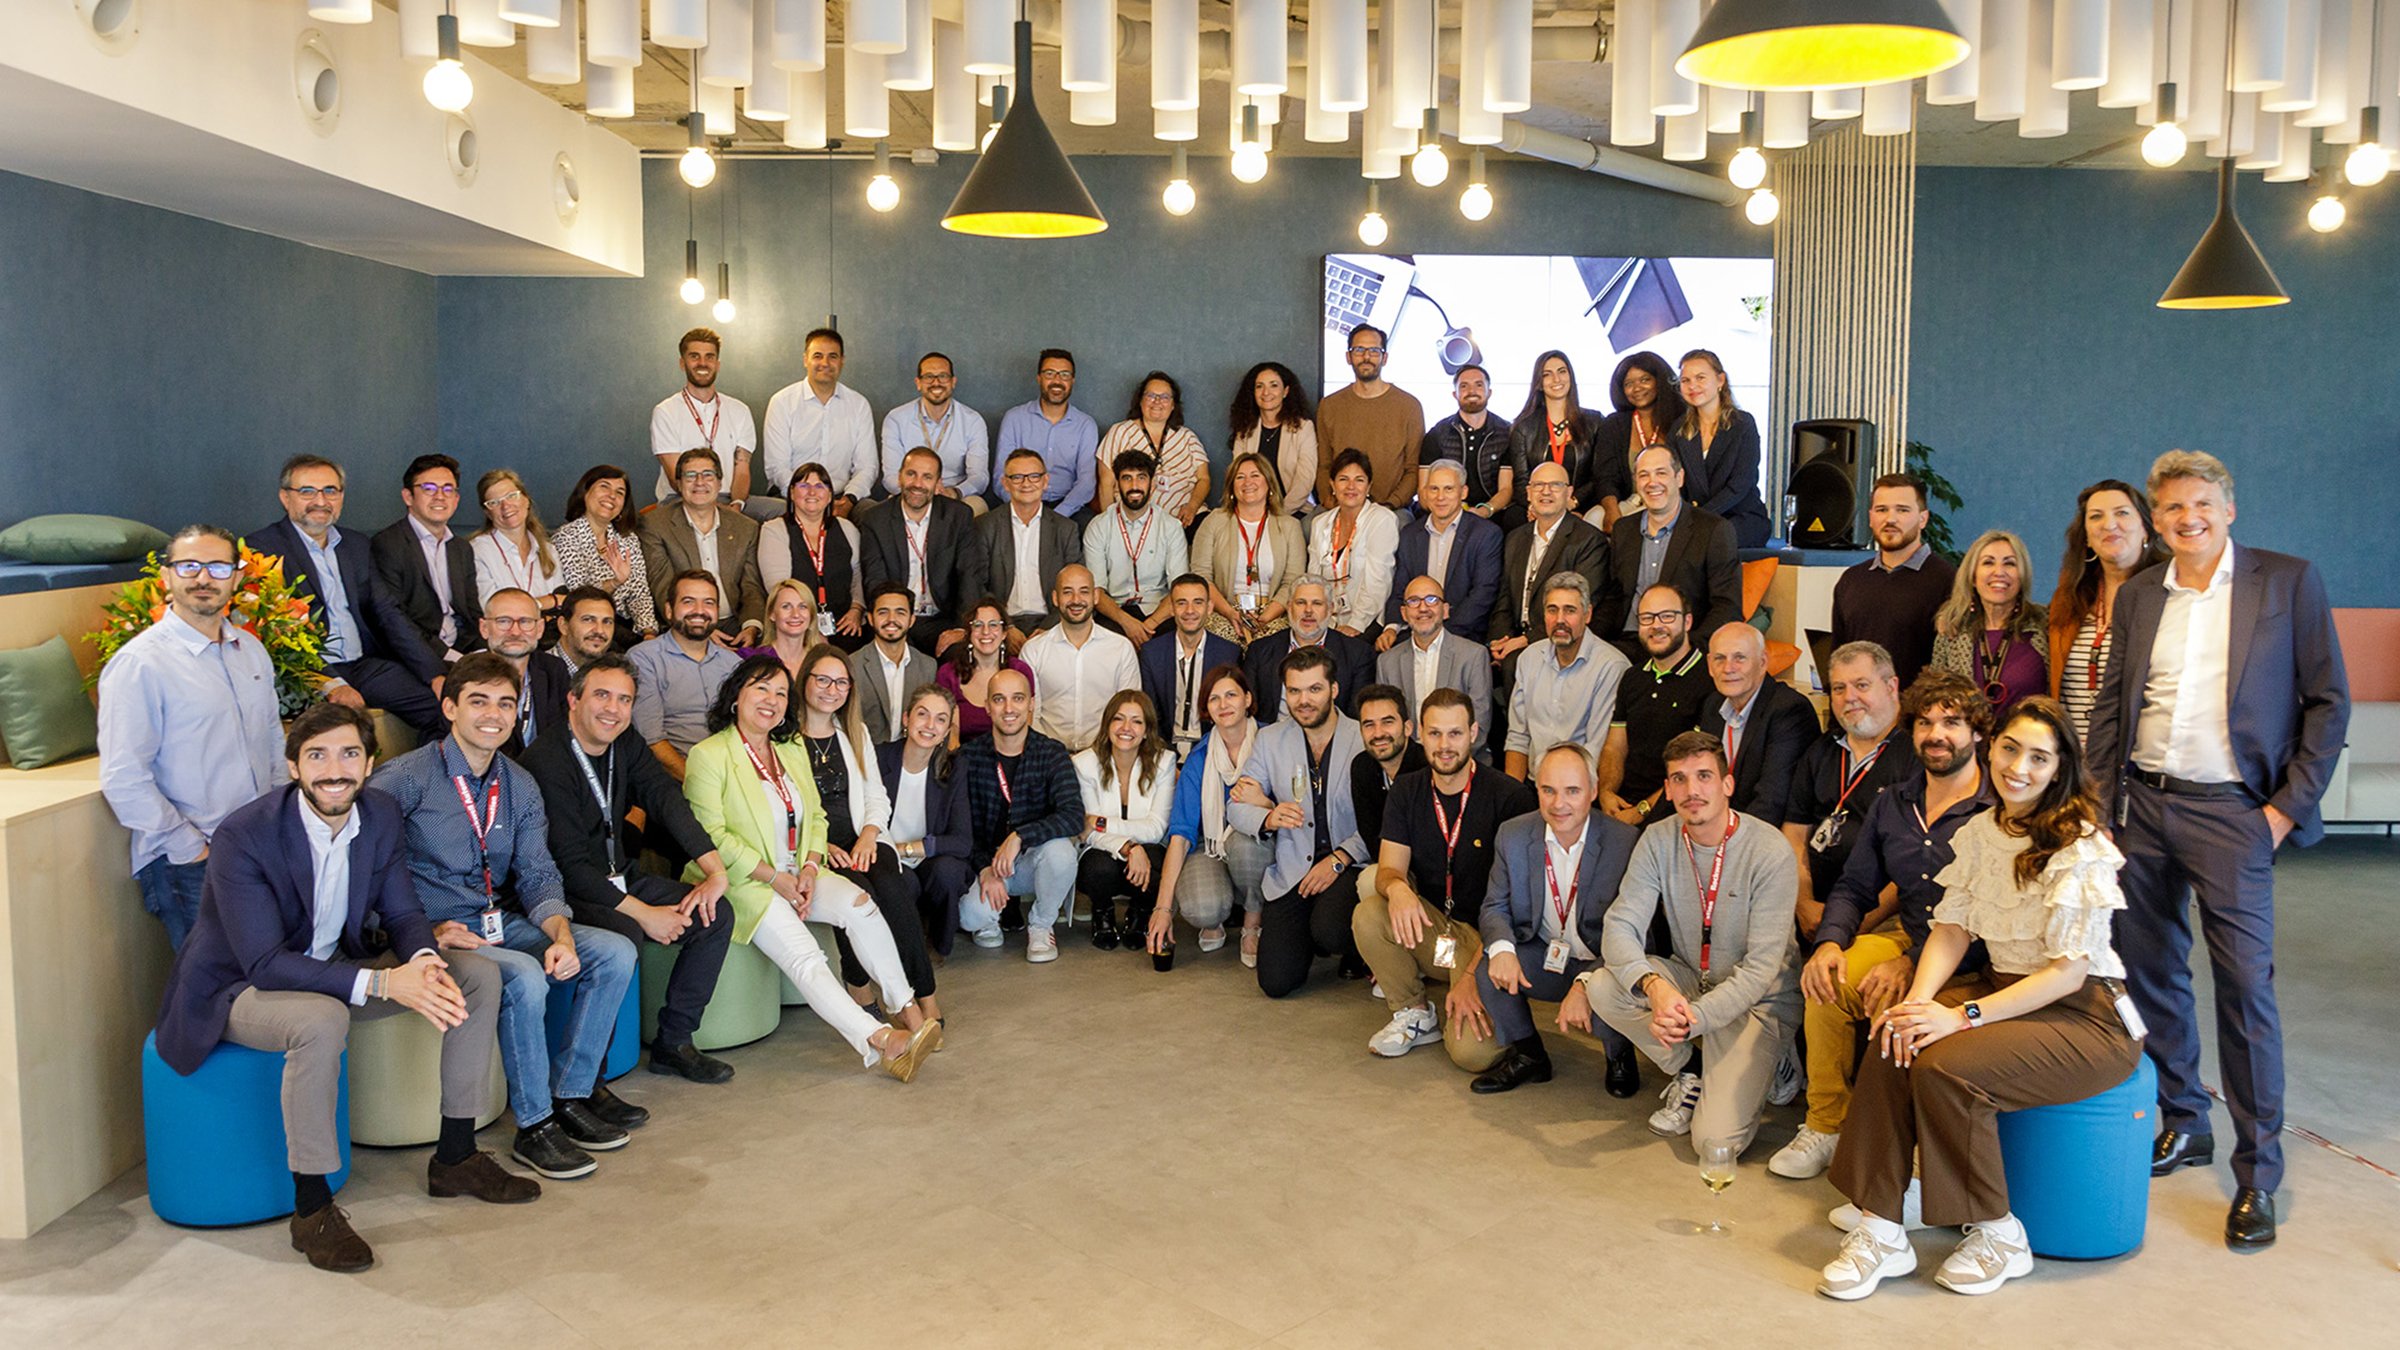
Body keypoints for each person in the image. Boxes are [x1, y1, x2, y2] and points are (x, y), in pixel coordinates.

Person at [151, 703, 532, 1273]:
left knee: (474, 975)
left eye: (350, 753)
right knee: (320, 1020)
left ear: (370, 760)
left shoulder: (377, 813)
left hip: (337, 966)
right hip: (240, 990)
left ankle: (455, 1155)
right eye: (318, 755)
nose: (335, 769)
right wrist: (383, 980)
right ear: (293, 767)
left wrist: (424, 961)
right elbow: (264, 963)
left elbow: (403, 912)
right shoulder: (245, 835)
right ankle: (312, 1207)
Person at [2088, 450, 2347, 1252]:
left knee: (2245, 990)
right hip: (2145, 810)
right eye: (2170, 510)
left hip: (2237, 815)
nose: (2185, 519)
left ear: (2229, 509)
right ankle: (2186, 1119)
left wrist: (2281, 812)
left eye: (2200, 505)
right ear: (2156, 520)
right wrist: (2101, 808)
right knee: (2154, 974)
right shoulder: (2139, 595)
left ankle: (2257, 1173)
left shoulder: (2286, 582)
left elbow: (2328, 704)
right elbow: (2109, 706)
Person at [1818, 698, 2144, 1300]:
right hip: (2006, 991)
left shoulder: (2079, 845)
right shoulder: (1981, 832)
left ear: (2059, 768)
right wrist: (1917, 1005)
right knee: (1897, 1035)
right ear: (1991, 747)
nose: (2019, 767)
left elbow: (2066, 976)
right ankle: (1882, 1226)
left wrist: (1959, 1016)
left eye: (2039, 757)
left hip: (2086, 1016)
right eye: (2011, 748)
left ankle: (1999, 1233)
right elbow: (1952, 928)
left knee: (1946, 1065)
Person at [366, 653, 642, 1182]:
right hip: (434, 932)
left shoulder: (518, 783)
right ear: (449, 707)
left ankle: (570, 1095)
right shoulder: (402, 780)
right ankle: (534, 1127)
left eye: (506, 703)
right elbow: (367, 874)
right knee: (523, 979)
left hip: (498, 918)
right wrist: (420, 932)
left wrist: (559, 933)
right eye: (478, 701)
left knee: (613, 951)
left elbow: (538, 874)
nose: (493, 714)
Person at [1778, 668, 1996, 1183]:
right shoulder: (1894, 802)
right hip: (1910, 935)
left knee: (1897, 1011)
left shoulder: (1996, 812)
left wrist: (1909, 964)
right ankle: (1826, 1125)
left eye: (1952, 722)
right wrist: (1830, 943)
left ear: (1979, 733)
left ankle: (1907, 1169)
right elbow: (1856, 887)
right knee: (1826, 980)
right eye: (1924, 722)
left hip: (1977, 962)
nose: (1936, 735)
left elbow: (1985, 925)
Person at [679, 655, 941, 1076]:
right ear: (736, 696)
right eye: (761, 688)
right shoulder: (709, 756)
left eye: (781, 692)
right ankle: (881, 1039)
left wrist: (810, 868)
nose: (772, 699)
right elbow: (712, 839)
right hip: (746, 881)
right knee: (807, 956)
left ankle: (909, 1011)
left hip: (799, 871)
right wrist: (776, 878)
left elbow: (816, 816)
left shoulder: (790, 747)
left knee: (862, 907)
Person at [520, 655, 738, 1085]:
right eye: (601, 695)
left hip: (618, 875)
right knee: (625, 934)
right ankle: (588, 1081)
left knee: (716, 913)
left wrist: (715, 871)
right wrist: (645, 913)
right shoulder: (546, 760)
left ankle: (674, 1042)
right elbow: (568, 865)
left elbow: (665, 799)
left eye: (624, 700)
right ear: (573, 700)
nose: (613, 709)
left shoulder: (626, 742)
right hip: (564, 892)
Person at [1594, 731, 1800, 1147]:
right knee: (1603, 986)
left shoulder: (1769, 850)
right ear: (1667, 790)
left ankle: (1776, 1059)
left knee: (1713, 1145)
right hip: (1693, 979)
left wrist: (1694, 1019)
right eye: (1680, 779)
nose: (1693, 790)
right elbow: (1620, 924)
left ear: (1728, 785)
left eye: (1704, 776)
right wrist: (1654, 988)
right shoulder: (1658, 839)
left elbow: (1762, 970)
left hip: (1759, 1001)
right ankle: (1694, 1067)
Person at [98, 524, 286, 951]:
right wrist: (190, 847)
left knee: (258, 986)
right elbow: (124, 777)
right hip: (191, 859)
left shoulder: (251, 651)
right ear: (166, 577)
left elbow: (272, 740)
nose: (203, 578)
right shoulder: (140, 665)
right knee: (210, 992)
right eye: (189, 566)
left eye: (218, 567)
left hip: (259, 848)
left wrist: (280, 821)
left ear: (237, 578)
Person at [1358, 689, 1533, 1069]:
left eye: (1455, 733)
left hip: (1486, 938)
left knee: (1474, 1054)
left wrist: (1472, 974)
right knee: (1371, 911)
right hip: (1437, 929)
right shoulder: (1407, 790)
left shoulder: (1509, 798)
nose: (1444, 745)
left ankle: (1487, 1000)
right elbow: (1389, 868)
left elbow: (1521, 909)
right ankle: (1414, 1011)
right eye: (1435, 734)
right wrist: (1399, 888)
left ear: (1474, 732)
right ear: (1420, 734)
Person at [1465, 743, 1641, 1095]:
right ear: (1537, 790)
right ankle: (1530, 1056)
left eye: (1572, 791)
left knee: (1611, 983)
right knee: (1490, 967)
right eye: (1548, 790)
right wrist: (1501, 949)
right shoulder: (1513, 834)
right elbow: (1494, 905)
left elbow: (1638, 937)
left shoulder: (1625, 842)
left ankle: (1619, 1053)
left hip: (1603, 961)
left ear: (1593, 791)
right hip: (1544, 955)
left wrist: (1587, 983)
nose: (1559, 804)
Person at [793, 644, 942, 1031]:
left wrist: (870, 836)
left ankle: (926, 997)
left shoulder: (853, 731)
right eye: (823, 679)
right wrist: (821, 846)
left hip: (864, 835)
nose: (832, 689)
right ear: (805, 680)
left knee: (895, 892)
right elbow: (786, 808)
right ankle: (860, 987)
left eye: (841, 682)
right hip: (816, 845)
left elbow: (876, 796)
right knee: (858, 893)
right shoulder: (784, 739)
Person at [250, 454, 446, 738]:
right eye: (307, 491)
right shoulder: (262, 550)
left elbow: (388, 613)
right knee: (339, 730)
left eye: (330, 490)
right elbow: (277, 640)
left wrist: (434, 673)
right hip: (311, 673)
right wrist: (331, 684)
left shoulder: (355, 545)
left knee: (446, 710)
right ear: (285, 497)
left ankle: (428, 782)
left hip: (365, 665)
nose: (321, 500)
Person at [1226, 646, 1369, 997]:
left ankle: (1353, 947)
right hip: (1293, 870)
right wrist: (1270, 816)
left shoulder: (1363, 738)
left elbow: (1383, 819)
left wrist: (1339, 860)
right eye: (1294, 691)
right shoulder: (1271, 739)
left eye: (1314, 689)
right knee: (1275, 983)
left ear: (1334, 690)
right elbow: (1237, 808)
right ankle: (1312, 936)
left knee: (1330, 930)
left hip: (1348, 863)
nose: (1304, 700)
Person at [1781, 641, 1915, 943]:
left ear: (1892, 686)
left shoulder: (1915, 755)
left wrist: (1852, 922)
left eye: (1862, 685)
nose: (1849, 698)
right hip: (1808, 909)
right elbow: (1794, 833)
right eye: (1839, 689)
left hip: (1880, 918)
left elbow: (1914, 862)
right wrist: (1803, 903)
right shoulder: (1822, 751)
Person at [954, 669, 1084, 962]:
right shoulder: (968, 757)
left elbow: (1074, 816)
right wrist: (985, 868)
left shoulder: (1051, 753)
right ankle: (990, 920)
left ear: (1031, 704)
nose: (1009, 709)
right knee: (970, 917)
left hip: (1032, 862)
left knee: (1062, 852)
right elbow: (960, 828)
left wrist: (1020, 836)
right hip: (989, 865)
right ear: (987, 706)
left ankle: (1040, 925)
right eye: (999, 700)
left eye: (1018, 699)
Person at [1148, 665, 1270, 965]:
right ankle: (1216, 915)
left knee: (1245, 845)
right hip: (1211, 847)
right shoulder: (1199, 759)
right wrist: (1162, 909)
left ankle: (1252, 923)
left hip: (1260, 847)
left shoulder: (1273, 742)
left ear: (1248, 698)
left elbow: (1296, 809)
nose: (1224, 704)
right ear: (1206, 709)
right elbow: (1181, 834)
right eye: (1214, 699)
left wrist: (1264, 803)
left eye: (1231, 695)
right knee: (1202, 908)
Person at [2046, 478, 2168, 745]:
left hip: (2137, 761)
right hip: (2071, 764)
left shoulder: (2169, 597)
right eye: (2096, 516)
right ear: (2087, 538)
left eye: (2122, 513)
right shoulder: (2067, 600)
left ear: (2146, 528)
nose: (2109, 524)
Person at [1602, 444, 1743, 647]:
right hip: (1625, 642)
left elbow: (1727, 606)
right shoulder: (1623, 530)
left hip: (1681, 644)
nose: (1652, 482)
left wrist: (1689, 649)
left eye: (1661, 473)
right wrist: (1589, 641)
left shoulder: (1714, 530)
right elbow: (1613, 598)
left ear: (1679, 478)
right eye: (1643, 475)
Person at [1598, 583, 1713, 826]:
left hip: (1678, 813)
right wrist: (1606, 792)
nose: (1656, 625)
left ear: (1688, 622)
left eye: (1667, 616)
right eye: (1647, 618)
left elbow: (1693, 765)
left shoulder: (1710, 679)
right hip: (1622, 807)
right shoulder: (1632, 677)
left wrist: (1641, 811)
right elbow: (1615, 747)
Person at [1828, 472, 1957, 690]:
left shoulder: (1949, 581)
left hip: (1916, 717)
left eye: (1902, 510)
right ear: (1870, 517)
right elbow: (1838, 658)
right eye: (1881, 510)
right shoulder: (1851, 580)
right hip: (1856, 713)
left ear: (1923, 518)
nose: (1890, 519)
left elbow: (1951, 667)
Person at [876, 685, 976, 960]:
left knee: (949, 872)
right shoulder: (878, 758)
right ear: (907, 719)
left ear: (946, 731)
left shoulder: (954, 768)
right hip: (885, 856)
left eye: (941, 719)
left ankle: (938, 946)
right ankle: (904, 949)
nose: (930, 725)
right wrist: (891, 852)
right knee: (901, 881)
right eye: (923, 714)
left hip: (927, 858)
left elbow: (962, 841)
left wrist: (908, 848)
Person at [1073, 691, 1177, 950]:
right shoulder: (1084, 764)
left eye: (1136, 721)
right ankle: (1102, 911)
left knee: (1155, 859)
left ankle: (1141, 912)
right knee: (1098, 867)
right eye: (1118, 719)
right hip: (1101, 852)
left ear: (1147, 730)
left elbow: (1156, 828)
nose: (1126, 728)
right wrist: (1129, 847)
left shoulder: (1164, 762)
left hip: (1147, 851)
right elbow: (1088, 833)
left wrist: (1102, 823)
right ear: (1107, 724)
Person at [1505, 574, 1632, 780]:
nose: (1560, 620)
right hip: (1532, 784)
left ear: (1588, 614)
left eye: (1570, 611)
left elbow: (1595, 749)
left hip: (1579, 787)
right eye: (1552, 610)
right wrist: (1512, 798)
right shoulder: (1529, 658)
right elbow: (1518, 738)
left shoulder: (1611, 666)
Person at [640, 448, 766, 648]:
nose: (699, 482)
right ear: (679, 484)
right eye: (690, 475)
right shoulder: (655, 525)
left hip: (736, 625)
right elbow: (662, 586)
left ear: (719, 482)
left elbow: (751, 587)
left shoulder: (746, 527)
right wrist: (699, 628)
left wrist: (751, 626)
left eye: (708, 475)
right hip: (683, 626)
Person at [1698, 623, 1821, 827]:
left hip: (1761, 838)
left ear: (1763, 662)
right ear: (1710, 665)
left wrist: (1724, 842)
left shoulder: (1789, 710)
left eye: (1740, 658)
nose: (1728, 668)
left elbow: (1772, 802)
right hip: (1714, 829)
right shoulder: (1713, 705)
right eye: (1720, 659)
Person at [858, 445, 976, 654]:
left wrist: (961, 627)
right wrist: (894, 621)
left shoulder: (958, 517)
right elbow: (875, 581)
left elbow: (970, 575)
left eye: (927, 477)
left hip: (942, 619)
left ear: (938, 484)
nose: (917, 484)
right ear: (899, 477)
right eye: (911, 474)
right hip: (895, 618)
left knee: (960, 655)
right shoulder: (875, 520)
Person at [627, 571, 743, 780]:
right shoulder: (644, 659)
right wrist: (700, 783)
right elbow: (651, 740)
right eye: (688, 602)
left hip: (734, 774)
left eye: (708, 603)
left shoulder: (734, 664)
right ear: (669, 610)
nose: (699, 611)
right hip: (672, 779)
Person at [1491, 461, 1609, 665]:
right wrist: (1502, 640)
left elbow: (1580, 606)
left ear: (1569, 493)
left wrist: (1525, 641)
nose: (1546, 491)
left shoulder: (1589, 540)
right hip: (1514, 641)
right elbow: (1504, 599)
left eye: (1555, 485)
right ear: (1528, 493)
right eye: (1538, 485)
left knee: (1515, 665)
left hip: (1559, 641)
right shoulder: (1515, 538)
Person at [1018, 564, 1143, 754]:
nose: (1076, 600)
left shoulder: (1121, 649)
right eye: (1067, 592)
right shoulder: (1034, 651)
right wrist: (1051, 756)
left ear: (1095, 597)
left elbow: (1128, 713)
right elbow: (1031, 715)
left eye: (1084, 592)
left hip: (1105, 756)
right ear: (1055, 598)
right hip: (1048, 757)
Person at [370, 453, 482, 664]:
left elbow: (472, 612)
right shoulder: (388, 545)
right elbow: (396, 620)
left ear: (456, 499)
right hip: (417, 655)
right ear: (408, 496)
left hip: (462, 649)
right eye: (429, 488)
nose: (440, 496)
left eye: (448, 489)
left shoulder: (461, 548)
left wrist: (482, 652)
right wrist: (452, 658)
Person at [963, 448, 1083, 644]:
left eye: (1034, 476)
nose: (1026, 483)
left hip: (1052, 624)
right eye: (1017, 477)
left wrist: (1048, 628)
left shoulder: (1065, 529)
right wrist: (1005, 626)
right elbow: (977, 584)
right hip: (999, 626)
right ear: (1005, 483)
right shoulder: (985, 526)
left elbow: (1073, 590)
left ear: (1045, 481)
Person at [1378, 461, 1503, 648]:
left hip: (1463, 634)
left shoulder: (1485, 534)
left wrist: (1440, 636)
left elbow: (1483, 593)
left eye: (1449, 489)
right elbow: (1400, 589)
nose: (1440, 497)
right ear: (1425, 492)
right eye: (1434, 489)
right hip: (1415, 631)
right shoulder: (1410, 534)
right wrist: (1391, 628)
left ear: (1464, 492)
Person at [1931, 529, 2049, 718]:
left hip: (2028, 743)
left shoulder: (2045, 626)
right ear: (1973, 577)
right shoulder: (1951, 632)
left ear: (2022, 575)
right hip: (1968, 745)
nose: (1999, 572)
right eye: (1988, 563)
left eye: (2010, 563)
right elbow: (1935, 700)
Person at [760, 326, 876, 515]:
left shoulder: (858, 405)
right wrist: (807, 499)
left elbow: (867, 466)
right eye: (817, 356)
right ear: (805, 359)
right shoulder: (782, 402)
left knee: (873, 515)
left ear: (842, 361)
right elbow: (777, 467)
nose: (825, 362)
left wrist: (849, 499)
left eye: (833, 356)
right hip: (790, 496)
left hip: (842, 497)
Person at [1193, 451, 1306, 644]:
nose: (1248, 482)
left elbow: (1293, 582)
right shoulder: (1214, 521)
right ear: (1231, 486)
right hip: (1224, 612)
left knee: (1271, 644)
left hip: (1273, 616)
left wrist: (1264, 619)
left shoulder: (1290, 526)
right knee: (1218, 637)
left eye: (1255, 475)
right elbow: (1201, 576)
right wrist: (1230, 613)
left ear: (1269, 482)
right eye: (1240, 477)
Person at [1313, 323, 1427, 512]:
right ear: (1349, 357)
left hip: (1392, 509)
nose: (1366, 357)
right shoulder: (1329, 405)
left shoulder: (1409, 406)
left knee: (1401, 531)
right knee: (1309, 527)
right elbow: (1324, 465)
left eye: (1374, 351)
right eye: (1359, 350)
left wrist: (1391, 504)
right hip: (1340, 506)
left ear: (1385, 358)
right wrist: (1329, 499)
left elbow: (1412, 470)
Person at [757, 462, 867, 651]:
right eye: (803, 486)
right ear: (792, 492)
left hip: (846, 623)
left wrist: (857, 609)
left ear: (830, 495)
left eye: (819, 486)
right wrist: (811, 629)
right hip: (796, 626)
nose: (812, 492)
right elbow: (779, 589)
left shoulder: (847, 528)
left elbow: (858, 573)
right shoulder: (774, 530)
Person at [1084, 449, 1190, 643]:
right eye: (1127, 478)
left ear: (1152, 483)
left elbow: (1179, 588)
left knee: (1171, 642)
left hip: (1159, 611)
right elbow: (1097, 591)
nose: (1134, 486)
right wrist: (1128, 623)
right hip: (1114, 613)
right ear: (1117, 484)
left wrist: (1149, 625)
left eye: (1141, 478)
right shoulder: (1098, 527)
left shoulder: (1171, 527)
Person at [1376, 575, 1495, 742]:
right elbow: (1386, 724)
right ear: (1403, 613)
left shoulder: (1473, 655)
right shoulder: (1387, 662)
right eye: (1413, 601)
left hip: (1459, 758)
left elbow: (1480, 723)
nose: (1423, 608)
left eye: (1432, 600)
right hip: (1408, 761)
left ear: (1445, 610)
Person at [1244, 576, 1376, 724]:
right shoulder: (1260, 651)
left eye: (1317, 603)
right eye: (1301, 603)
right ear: (1289, 607)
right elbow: (1250, 712)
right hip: (1272, 739)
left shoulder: (1358, 654)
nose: (1308, 610)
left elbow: (1357, 717)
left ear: (1330, 609)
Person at [1671, 349, 1769, 549]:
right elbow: (1674, 483)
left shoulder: (1743, 424)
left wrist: (1699, 519)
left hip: (1740, 517)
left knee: (1708, 540)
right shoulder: (1679, 429)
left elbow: (1741, 484)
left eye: (1700, 378)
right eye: (1685, 380)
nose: (1692, 386)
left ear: (1720, 380)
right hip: (1693, 520)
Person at [649, 326, 754, 507]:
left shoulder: (740, 410)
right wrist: (713, 510)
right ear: (682, 363)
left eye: (710, 357)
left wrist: (736, 505)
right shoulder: (665, 411)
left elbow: (742, 470)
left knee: (778, 512)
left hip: (728, 498)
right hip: (680, 499)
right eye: (694, 356)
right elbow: (676, 477)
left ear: (718, 364)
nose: (702, 363)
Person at [553, 464, 659, 643]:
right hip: (588, 628)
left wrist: (648, 633)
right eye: (604, 487)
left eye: (620, 492)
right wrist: (614, 582)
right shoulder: (567, 536)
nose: (612, 496)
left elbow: (640, 594)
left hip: (627, 627)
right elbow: (579, 596)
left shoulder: (628, 540)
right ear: (585, 492)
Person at [1139, 574, 1239, 760]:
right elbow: (1151, 715)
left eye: (1198, 602)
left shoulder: (1229, 653)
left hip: (1212, 750)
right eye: (1181, 603)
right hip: (1162, 750)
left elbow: (1231, 717)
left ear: (1209, 608)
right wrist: (1165, 758)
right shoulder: (1151, 653)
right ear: (1171, 608)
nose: (1190, 610)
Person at [1095, 371, 1210, 530]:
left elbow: (1204, 479)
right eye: (1150, 396)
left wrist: (1192, 507)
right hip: (1136, 517)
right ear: (1140, 401)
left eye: (1164, 397)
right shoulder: (1120, 432)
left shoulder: (1187, 437)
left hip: (1187, 517)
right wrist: (1110, 524)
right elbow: (1106, 483)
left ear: (1173, 404)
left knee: (1214, 530)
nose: (1157, 401)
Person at [994, 347, 1100, 518]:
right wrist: (1022, 508)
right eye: (1050, 373)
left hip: (1067, 506)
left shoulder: (1086, 425)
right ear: (1039, 378)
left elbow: (1086, 482)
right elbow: (1001, 474)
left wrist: (1058, 515)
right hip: (1020, 501)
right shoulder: (1014, 418)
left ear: (1072, 380)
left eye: (1064, 374)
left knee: (1087, 527)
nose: (1057, 380)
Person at [1504, 351, 1605, 531]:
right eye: (1547, 374)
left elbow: (1598, 475)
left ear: (1570, 377)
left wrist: (1571, 503)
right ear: (1539, 384)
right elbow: (1521, 482)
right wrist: (1536, 507)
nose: (1556, 379)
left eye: (1562, 371)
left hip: (1580, 505)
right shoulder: (1523, 428)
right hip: (1539, 505)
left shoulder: (1594, 421)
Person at [1307, 450, 1401, 635]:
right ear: (1332, 484)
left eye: (1359, 480)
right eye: (1343, 479)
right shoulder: (1320, 524)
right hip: (1327, 621)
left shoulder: (1382, 520)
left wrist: (1356, 624)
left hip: (1367, 622)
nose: (1351, 486)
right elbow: (1314, 581)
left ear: (1368, 486)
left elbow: (1378, 583)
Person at [1587, 351, 1684, 530]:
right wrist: (1612, 511)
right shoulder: (1614, 424)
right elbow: (1605, 477)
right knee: (1594, 517)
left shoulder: (1681, 421)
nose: (1637, 388)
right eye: (1628, 384)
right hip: (1631, 502)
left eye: (1645, 380)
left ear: (1659, 381)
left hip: (1668, 502)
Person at [878, 351, 989, 506]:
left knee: (977, 504)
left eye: (943, 376)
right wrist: (919, 491)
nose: (936, 383)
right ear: (918, 382)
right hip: (910, 493)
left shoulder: (972, 420)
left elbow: (979, 476)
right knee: (888, 506)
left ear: (953, 381)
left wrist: (955, 492)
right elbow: (890, 476)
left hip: (954, 495)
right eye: (929, 377)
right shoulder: (896, 419)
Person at [1345, 685, 1428, 893]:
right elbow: (1371, 835)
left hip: (1434, 872)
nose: (1378, 733)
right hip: (1392, 869)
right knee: (1368, 881)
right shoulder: (1362, 766)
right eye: (1369, 725)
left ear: (1408, 728)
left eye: (1387, 722)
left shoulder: (1426, 765)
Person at [478, 588, 570, 758]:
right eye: (504, 621)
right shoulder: (467, 677)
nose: (515, 632)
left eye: (525, 621)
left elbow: (566, 737)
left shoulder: (554, 670)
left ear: (540, 628)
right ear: (484, 628)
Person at [1419, 363, 1514, 522]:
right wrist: (1451, 513)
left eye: (1478, 385)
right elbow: (1423, 491)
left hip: (1491, 514)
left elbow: (1506, 489)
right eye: (1464, 386)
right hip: (1444, 513)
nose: (1471, 391)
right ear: (1454, 394)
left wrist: (1485, 511)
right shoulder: (1438, 434)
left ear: (1489, 392)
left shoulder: (1506, 433)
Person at [846, 585, 938, 744]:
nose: (891, 619)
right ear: (870, 619)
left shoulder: (928, 666)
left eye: (900, 612)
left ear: (911, 620)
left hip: (911, 758)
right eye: (883, 612)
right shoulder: (851, 665)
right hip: (864, 757)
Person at [471, 469, 566, 621]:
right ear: (488, 513)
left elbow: (563, 605)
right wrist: (547, 602)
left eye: (511, 496)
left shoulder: (549, 551)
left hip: (548, 637)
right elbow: (492, 611)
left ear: (526, 500)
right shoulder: (478, 551)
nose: (505, 506)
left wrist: (551, 603)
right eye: (494, 503)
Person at [938, 598, 1035, 744]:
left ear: (1004, 633)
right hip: (963, 759)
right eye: (978, 625)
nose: (986, 632)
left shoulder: (1020, 671)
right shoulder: (948, 674)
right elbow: (949, 738)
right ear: (969, 633)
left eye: (993, 625)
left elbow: (1026, 729)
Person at [1226, 360, 1318, 512]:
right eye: (1259, 386)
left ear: (1286, 392)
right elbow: (1239, 477)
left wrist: (1279, 513)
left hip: (1294, 509)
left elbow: (1305, 480)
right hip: (1252, 510)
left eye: (1274, 385)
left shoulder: (1303, 428)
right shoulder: (1245, 431)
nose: (1266, 392)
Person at [747, 578, 824, 680]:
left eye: (803, 606)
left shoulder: (822, 661)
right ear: (772, 614)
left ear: (811, 614)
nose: (796, 614)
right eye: (786, 606)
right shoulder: (753, 660)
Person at [549, 586, 617, 676]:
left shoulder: (613, 674)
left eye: (607, 622)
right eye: (588, 620)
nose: (600, 630)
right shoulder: (537, 673)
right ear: (563, 625)